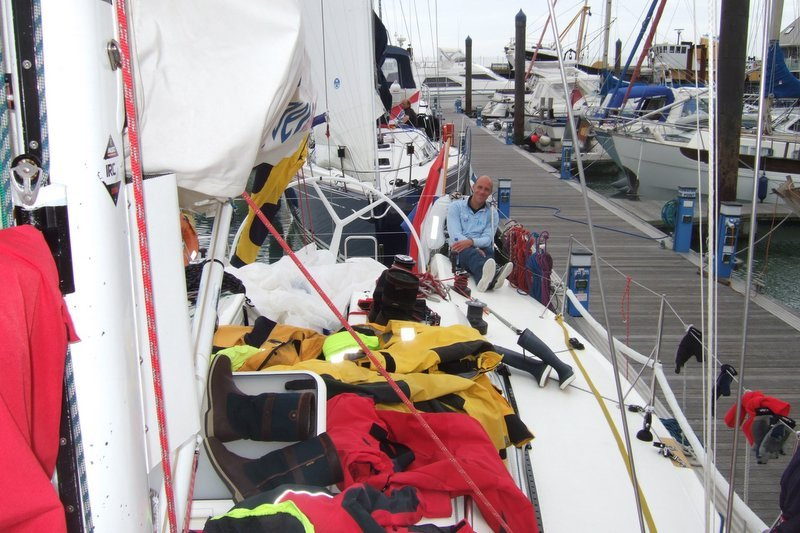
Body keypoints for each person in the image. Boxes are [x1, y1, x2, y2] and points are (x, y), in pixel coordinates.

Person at [447, 175, 513, 292]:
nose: (482, 192)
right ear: (473, 187)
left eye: (486, 189)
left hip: (481, 247)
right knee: (471, 254)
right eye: (480, 187)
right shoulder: (455, 207)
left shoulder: (492, 213)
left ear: (490, 193)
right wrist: (473, 247)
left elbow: (488, 239)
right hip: (459, 249)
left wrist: (472, 243)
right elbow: (455, 235)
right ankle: (494, 277)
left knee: (489, 253)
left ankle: (486, 281)